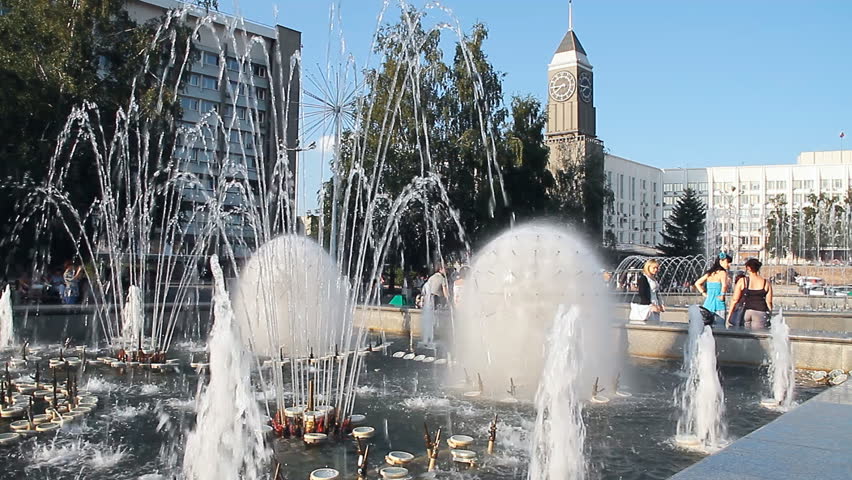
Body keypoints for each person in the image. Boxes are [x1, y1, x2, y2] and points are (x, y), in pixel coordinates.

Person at [727, 258, 773, 329]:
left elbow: (735, 299)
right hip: (760, 312)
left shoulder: (742, 281)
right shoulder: (766, 283)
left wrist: (730, 314)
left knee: (745, 336)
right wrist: (770, 314)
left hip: (745, 311)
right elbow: (769, 302)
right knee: (759, 336)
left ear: (748, 268)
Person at [694, 252, 733, 324]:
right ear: (721, 261)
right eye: (728, 262)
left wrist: (704, 293)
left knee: (707, 327)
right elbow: (724, 285)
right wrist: (722, 295)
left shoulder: (710, 273)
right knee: (720, 328)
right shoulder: (722, 272)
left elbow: (697, 283)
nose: (729, 265)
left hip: (708, 304)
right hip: (718, 304)